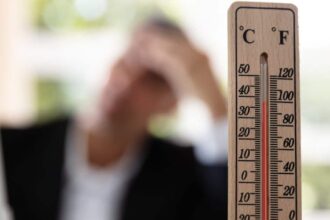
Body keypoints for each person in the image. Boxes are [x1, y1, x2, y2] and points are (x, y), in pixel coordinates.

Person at [0, 18, 227, 220]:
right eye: (126, 61)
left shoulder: (184, 180)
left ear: (171, 105)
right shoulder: (11, 150)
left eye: (151, 79)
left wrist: (215, 104)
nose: (126, 82)